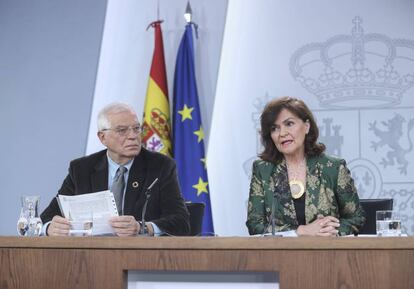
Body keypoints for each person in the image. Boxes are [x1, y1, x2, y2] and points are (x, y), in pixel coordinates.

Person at [41, 102, 190, 236]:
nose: (133, 136)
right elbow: (46, 218)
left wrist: (143, 228)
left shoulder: (160, 166)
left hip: (139, 257)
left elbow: (181, 221)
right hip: (91, 256)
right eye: (122, 130)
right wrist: (49, 228)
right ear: (102, 137)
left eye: (136, 129)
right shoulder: (81, 169)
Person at [246, 97, 365, 236]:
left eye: (289, 124)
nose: (282, 133)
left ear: (307, 126)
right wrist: (300, 232)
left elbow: (356, 218)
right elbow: (255, 226)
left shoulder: (333, 167)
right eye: (274, 128)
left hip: (327, 253)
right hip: (280, 256)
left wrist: (333, 231)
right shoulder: (262, 170)